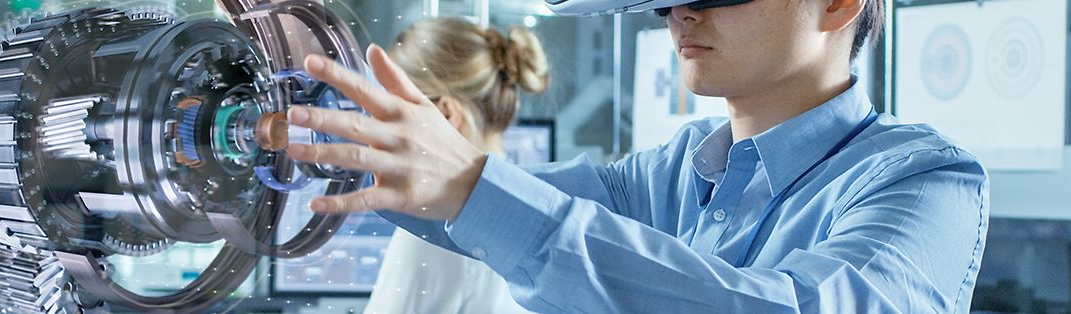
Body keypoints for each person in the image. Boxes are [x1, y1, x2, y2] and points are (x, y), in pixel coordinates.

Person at [285, 0, 988, 312]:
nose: (681, 12)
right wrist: (299, 141)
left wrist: (469, 184)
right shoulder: (676, 171)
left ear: (838, 4)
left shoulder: (922, 182)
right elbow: (478, 204)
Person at [363, 18, 549, 314]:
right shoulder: (537, 204)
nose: (382, 129)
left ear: (448, 113)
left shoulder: (438, 230)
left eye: (393, 113)